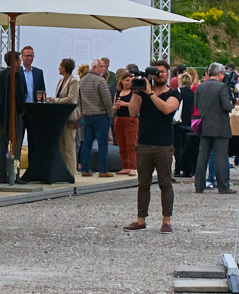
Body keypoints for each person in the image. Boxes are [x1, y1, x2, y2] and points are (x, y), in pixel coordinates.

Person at [123, 60, 180, 233]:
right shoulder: (142, 92)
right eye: (157, 72)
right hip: (144, 143)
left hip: (163, 145)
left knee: (165, 183)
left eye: (162, 71)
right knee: (143, 184)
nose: (159, 74)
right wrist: (135, 92)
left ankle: (166, 221)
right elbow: (132, 112)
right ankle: (141, 220)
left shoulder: (174, 94)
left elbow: (166, 109)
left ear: (168, 74)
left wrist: (150, 94)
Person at [193, 63, 237, 194]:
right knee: (220, 157)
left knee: (202, 156)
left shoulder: (200, 87)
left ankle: (199, 185)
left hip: (204, 125)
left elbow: (196, 105)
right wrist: (232, 103)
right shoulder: (222, 87)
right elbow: (227, 107)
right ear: (219, 73)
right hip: (220, 126)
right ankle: (223, 186)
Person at [0, 51, 24, 183]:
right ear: (14, 61)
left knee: (2, 145)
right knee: (16, 145)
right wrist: (21, 110)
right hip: (13, 115)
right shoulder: (16, 75)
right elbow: (19, 96)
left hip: (1, 116)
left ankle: (2, 176)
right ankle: (15, 174)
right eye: (19, 60)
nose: (20, 63)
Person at [78, 59, 114, 177]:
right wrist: (110, 113)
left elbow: (79, 100)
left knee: (87, 143)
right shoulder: (100, 81)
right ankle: (103, 170)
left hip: (87, 116)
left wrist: (82, 113)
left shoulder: (81, 81)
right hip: (100, 115)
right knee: (103, 144)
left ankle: (84, 168)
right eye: (100, 67)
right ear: (94, 68)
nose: (103, 69)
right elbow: (107, 100)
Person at [47, 58, 80, 178]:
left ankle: (71, 173)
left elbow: (71, 99)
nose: (58, 68)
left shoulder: (74, 81)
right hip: (60, 116)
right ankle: (62, 171)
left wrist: (54, 100)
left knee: (69, 146)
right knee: (61, 146)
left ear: (64, 68)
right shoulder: (61, 81)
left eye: (60, 66)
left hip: (70, 117)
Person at [19, 45, 46, 144]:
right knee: (18, 140)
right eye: (27, 56)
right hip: (21, 110)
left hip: (34, 110)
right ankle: (16, 159)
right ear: (22, 57)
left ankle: (32, 159)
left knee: (34, 140)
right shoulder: (17, 72)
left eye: (32, 56)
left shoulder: (38, 72)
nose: (30, 58)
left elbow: (42, 91)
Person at [173, 72, 197, 177]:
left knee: (178, 147)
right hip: (189, 123)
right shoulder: (193, 94)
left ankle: (178, 168)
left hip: (179, 122)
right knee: (188, 148)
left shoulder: (177, 92)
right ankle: (188, 170)